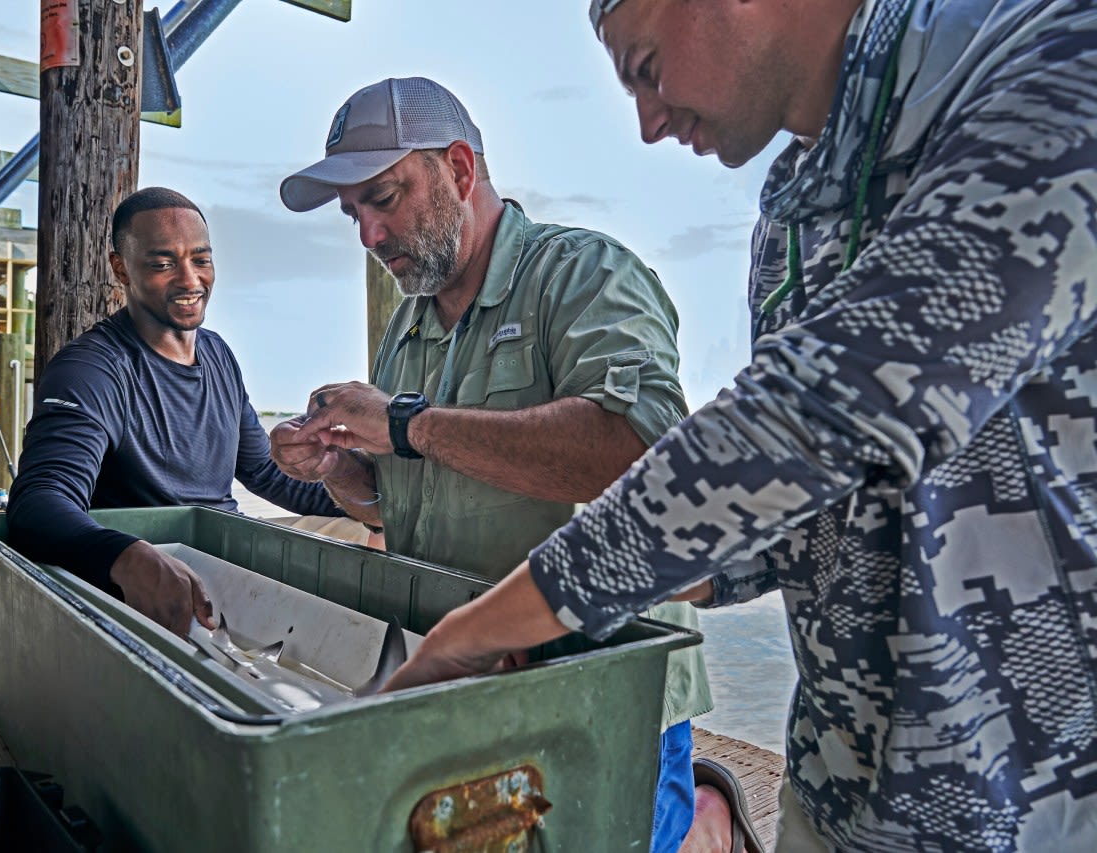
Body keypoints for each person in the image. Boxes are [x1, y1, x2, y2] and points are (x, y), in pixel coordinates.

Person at [384, 0, 1097, 851]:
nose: (648, 123)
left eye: (647, 67)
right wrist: (591, 617)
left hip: (1037, 811)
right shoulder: (792, 210)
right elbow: (803, 511)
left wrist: (492, 623)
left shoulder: (1050, 59)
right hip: (837, 794)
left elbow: (819, 415)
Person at [270, 77, 713, 852]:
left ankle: (706, 817)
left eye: (384, 197)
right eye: (354, 215)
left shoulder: (585, 275)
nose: (369, 237)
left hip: (600, 699)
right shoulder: (405, 328)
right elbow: (412, 505)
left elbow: (645, 458)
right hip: (462, 690)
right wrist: (344, 474)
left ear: (460, 170)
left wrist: (408, 425)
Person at [7, 187, 342, 636]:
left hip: (227, 563)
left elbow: (264, 472)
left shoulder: (218, 354)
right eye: (163, 264)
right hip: (146, 589)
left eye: (201, 260)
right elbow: (38, 503)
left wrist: (364, 498)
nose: (190, 280)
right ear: (120, 267)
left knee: (370, 540)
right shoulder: (90, 369)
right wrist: (127, 556)